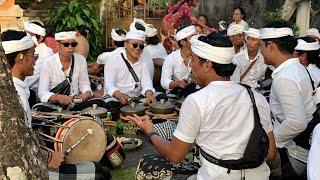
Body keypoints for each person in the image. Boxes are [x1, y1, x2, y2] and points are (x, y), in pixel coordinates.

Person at [129, 33, 276, 179]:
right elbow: (270, 154)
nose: (190, 65)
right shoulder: (257, 97)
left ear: (207, 65)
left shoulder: (196, 100)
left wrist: (150, 132)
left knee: (148, 164)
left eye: (193, 59)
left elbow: (175, 156)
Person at [1, 30, 64, 169]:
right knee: (98, 173)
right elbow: (17, 145)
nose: (35, 60)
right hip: (23, 167)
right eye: (33, 55)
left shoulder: (15, 87)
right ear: (20, 57)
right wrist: (48, 156)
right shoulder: (16, 97)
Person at [260, 20, 316, 178]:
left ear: (270, 45)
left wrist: (270, 144)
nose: (261, 52)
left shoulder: (285, 77)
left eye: (261, 46)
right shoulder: (296, 68)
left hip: (294, 155)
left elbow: (297, 122)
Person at [103, 27, 156, 105]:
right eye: (134, 45)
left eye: (141, 46)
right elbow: (109, 85)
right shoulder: (113, 60)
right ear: (125, 45)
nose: (137, 48)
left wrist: (149, 94)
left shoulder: (143, 61)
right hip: (115, 97)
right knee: (113, 104)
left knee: (160, 97)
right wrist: (120, 96)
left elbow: (147, 82)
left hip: (135, 97)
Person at [38, 30, 92, 106]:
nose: (70, 48)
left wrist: (87, 93)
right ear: (58, 45)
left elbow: (84, 83)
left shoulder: (81, 60)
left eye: (73, 44)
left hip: (75, 103)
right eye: (66, 44)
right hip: (54, 106)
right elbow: (42, 93)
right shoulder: (48, 63)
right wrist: (58, 97)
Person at [161, 25, 197, 97]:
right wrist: (178, 83)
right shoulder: (171, 58)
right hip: (176, 95)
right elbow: (164, 82)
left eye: (196, 36)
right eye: (192, 37)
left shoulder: (200, 56)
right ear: (183, 42)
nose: (196, 40)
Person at [23, 21, 54, 94]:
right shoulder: (28, 49)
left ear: (40, 38)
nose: (26, 38)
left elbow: (33, 78)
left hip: (36, 93)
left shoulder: (46, 53)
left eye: (30, 35)